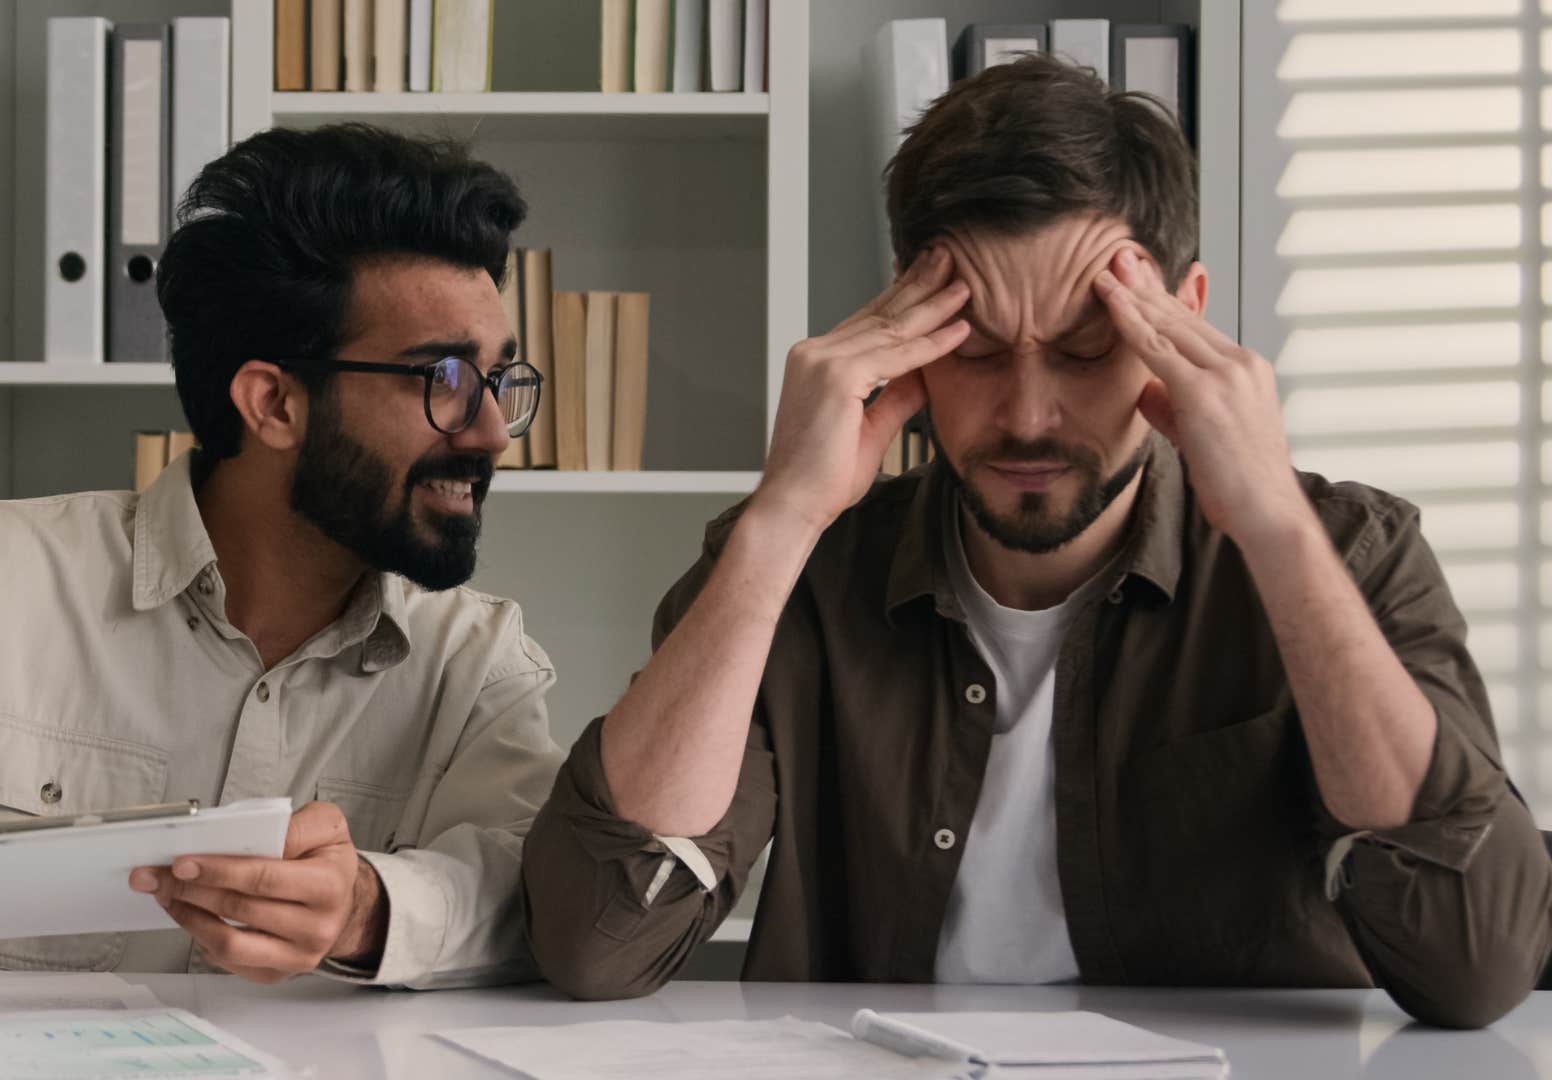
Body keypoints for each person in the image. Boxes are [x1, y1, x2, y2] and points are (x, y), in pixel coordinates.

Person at [522, 57, 1552, 1027]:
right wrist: (782, 516)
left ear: (1182, 322)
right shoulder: (800, 568)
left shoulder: (1349, 553)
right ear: (903, 329)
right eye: (974, 348)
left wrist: (1275, 531)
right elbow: (596, 941)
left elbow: (1474, 963)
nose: (1027, 414)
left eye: (1087, 347)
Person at [0, 123, 562, 988]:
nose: (491, 430)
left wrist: (371, 910)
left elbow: (549, 904)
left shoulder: (476, 668)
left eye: (498, 379)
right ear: (273, 403)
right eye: (442, 378)